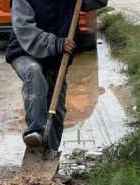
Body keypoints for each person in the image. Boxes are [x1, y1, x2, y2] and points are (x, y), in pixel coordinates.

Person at [6, 0, 107, 152]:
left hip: (56, 59)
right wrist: (56, 44)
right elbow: (24, 29)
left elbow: (98, 1)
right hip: (25, 53)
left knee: (57, 110)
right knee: (34, 73)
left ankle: (49, 154)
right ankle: (35, 133)